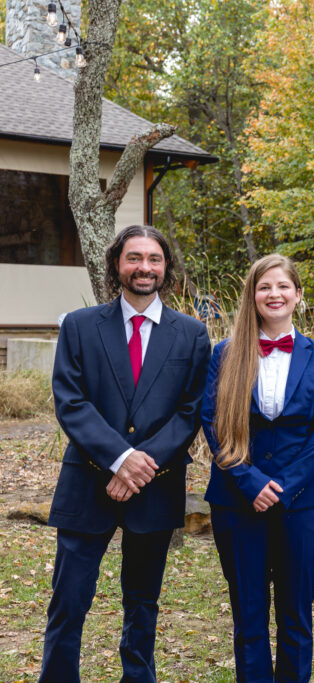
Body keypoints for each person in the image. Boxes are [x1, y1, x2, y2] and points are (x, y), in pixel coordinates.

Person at [41, 225, 211, 683]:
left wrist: (140, 466)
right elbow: (70, 401)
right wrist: (119, 458)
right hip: (87, 483)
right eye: (134, 257)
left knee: (143, 600)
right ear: (116, 264)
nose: (144, 267)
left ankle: (138, 677)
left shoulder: (192, 335)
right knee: (69, 599)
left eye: (154, 259)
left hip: (156, 485)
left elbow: (189, 411)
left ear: (166, 268)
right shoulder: (79, 326)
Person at [201, 254, 314, 682]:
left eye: (283, 286)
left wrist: (284, 485)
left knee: (296, 615)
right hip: (236, 500)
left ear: (298, 295)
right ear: (253, 296)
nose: (274, 294)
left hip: (302, 504)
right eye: (265, 287)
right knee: (248, 614)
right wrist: (250, 482)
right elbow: (213, 421)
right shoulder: (225, 354)